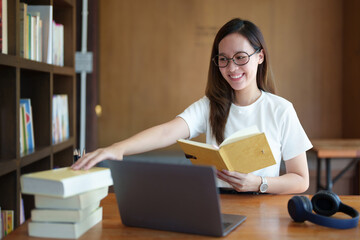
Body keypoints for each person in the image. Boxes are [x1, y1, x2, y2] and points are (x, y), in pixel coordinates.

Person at [72, 18, 312, 194]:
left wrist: (259, 184)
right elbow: (167, 132)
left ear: (260, 57)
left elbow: (301, 180)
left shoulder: (281, 110)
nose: (232, 68)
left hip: (264, 208)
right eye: (223, 59)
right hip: (216, 205)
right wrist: (118, 149)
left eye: (240, 57)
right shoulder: (211, 106)